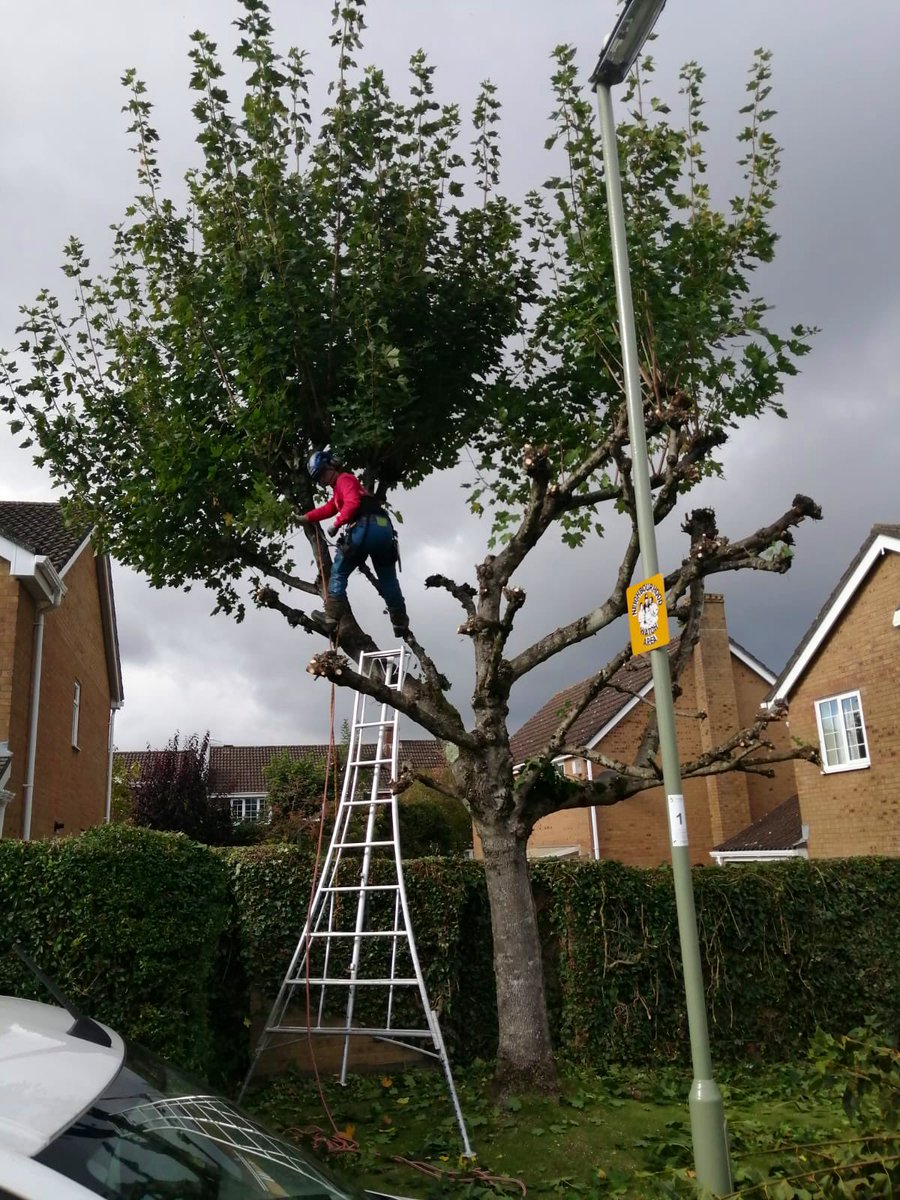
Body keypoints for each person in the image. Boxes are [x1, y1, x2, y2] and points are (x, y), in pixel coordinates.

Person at [299, 450, 410, 639]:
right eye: (319, 479)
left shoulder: (344, 479)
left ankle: (331, 617)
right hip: (384, 530)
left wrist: (337, 524)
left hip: (366, 527)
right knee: (388, 580)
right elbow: (329, 508)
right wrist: (307, 517)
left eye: (322, 474)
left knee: (339, 570)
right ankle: (400, 622)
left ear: (331, 466)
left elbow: (351, 504)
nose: (323, 481)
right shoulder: (340, 488)